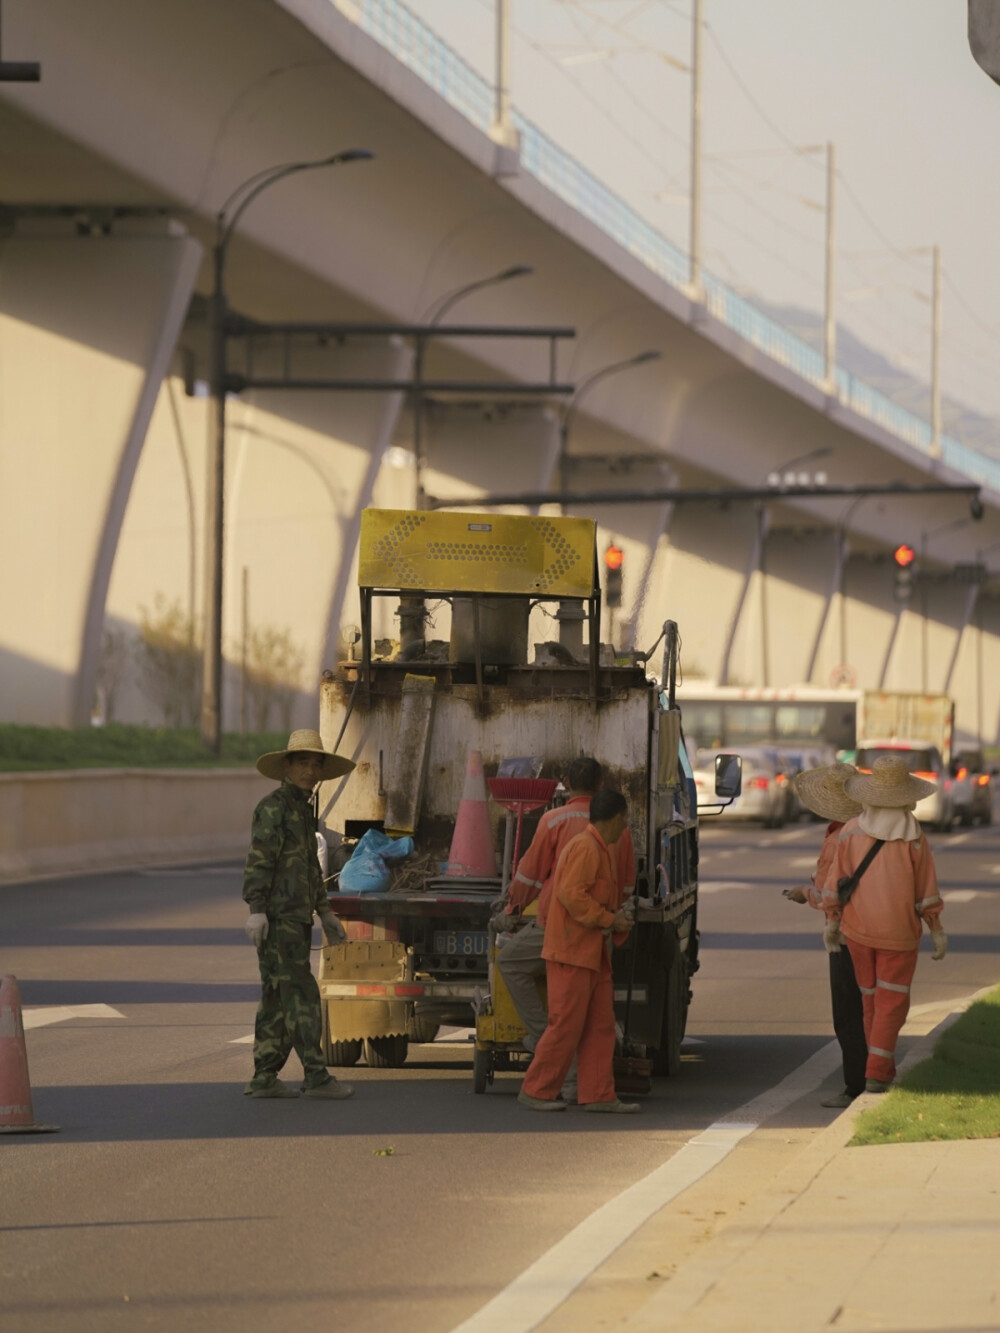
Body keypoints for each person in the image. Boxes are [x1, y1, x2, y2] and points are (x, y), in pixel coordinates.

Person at [821, 754, 947, 1094]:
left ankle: (880, 1069)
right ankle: (877, 1071)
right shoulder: (915, 838)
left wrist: (833, 923)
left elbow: (834, 884)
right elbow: (926, 890)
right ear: (906, 797)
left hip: (858, 933)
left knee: (870, 1000)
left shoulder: (849, 832)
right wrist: (936, 929)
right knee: (892, 1002)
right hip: (900, 935)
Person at [242, 728, 357, 1099]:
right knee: (301, 993)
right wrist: (257, 910)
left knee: (277, 994)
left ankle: (264, 1076)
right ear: (287, 766)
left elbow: (310, 866)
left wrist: (325, 912)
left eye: (315, 764)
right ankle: (316, 1074)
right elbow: (259, 861)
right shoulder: (274, 807)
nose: (310, 770)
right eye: (302, 762)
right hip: (278, 918)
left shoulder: (302, 811)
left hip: (295, 917)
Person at [518, 789, 639, 1113]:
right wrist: (610, 919)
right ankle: (537, 1090)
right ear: (615, 819)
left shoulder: (598, 849)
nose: (626, 826)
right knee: (566, 1025)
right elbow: (572, 897)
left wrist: (614, 921)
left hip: (590, 953)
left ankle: (599, 1095)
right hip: (571, 952)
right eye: (625, 820)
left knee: (601, 1024)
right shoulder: (586, 848)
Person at [786, 763, 867, 1108]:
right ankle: (874, 1075)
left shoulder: (840, 838)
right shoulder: (865, 830)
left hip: (845, 934)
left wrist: (805, 893)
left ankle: (856, 1087)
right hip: (871, 930)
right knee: (870, 1011)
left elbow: (829, 895)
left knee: (848, 1015)